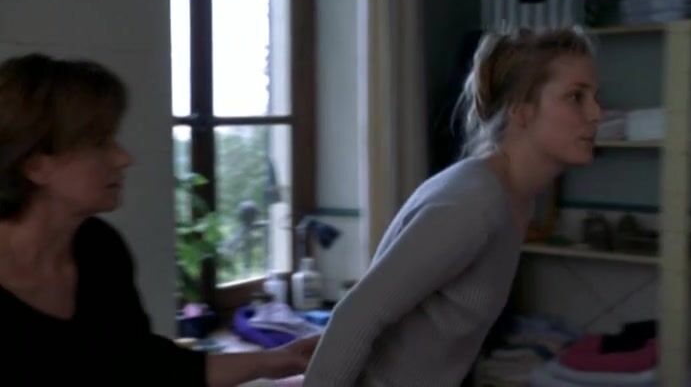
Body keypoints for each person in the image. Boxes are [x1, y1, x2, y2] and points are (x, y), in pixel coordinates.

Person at [304, 26, 601, 386]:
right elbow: (355, 317)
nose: (596, 113)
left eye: (594, 97)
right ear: (521, 110)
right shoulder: (473, 203)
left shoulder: (515, 197)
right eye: (575, 97)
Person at [0, 53, 318, 387]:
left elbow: (142, 365)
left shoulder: (98, 247)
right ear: (35, 165)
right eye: (99, 143)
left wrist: (271, 361)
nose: (123, 158)